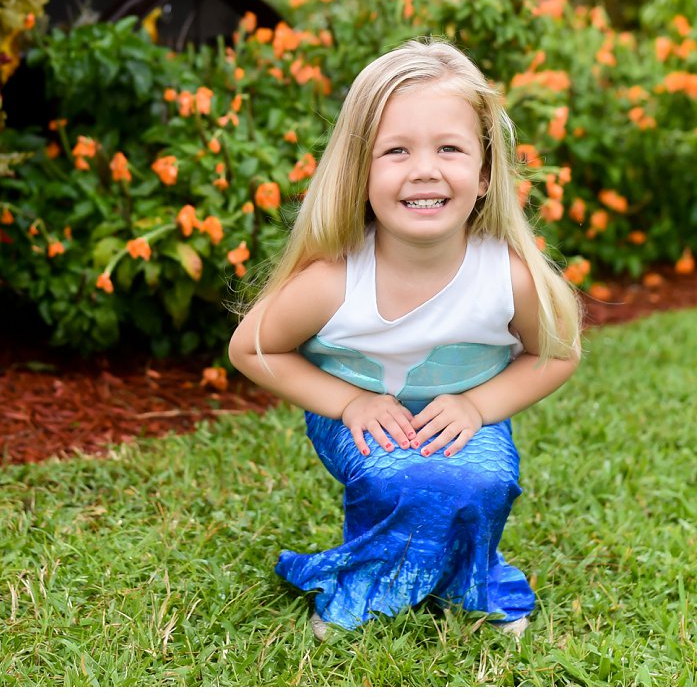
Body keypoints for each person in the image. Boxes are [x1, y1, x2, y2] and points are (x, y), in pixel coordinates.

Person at [226, 38, 581, 638]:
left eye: (449, 148)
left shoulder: (507, 276)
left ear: (486, 170)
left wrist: (477, 405)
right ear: (360, 171)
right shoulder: (336, 278)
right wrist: (349, 403)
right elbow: (252, 347)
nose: (425, 169)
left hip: (467, 413)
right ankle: (362, 585)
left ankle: (474, 579)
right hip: (357, 415)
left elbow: (559, 353)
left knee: (484, 479)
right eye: (396, 151)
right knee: (399, 479)